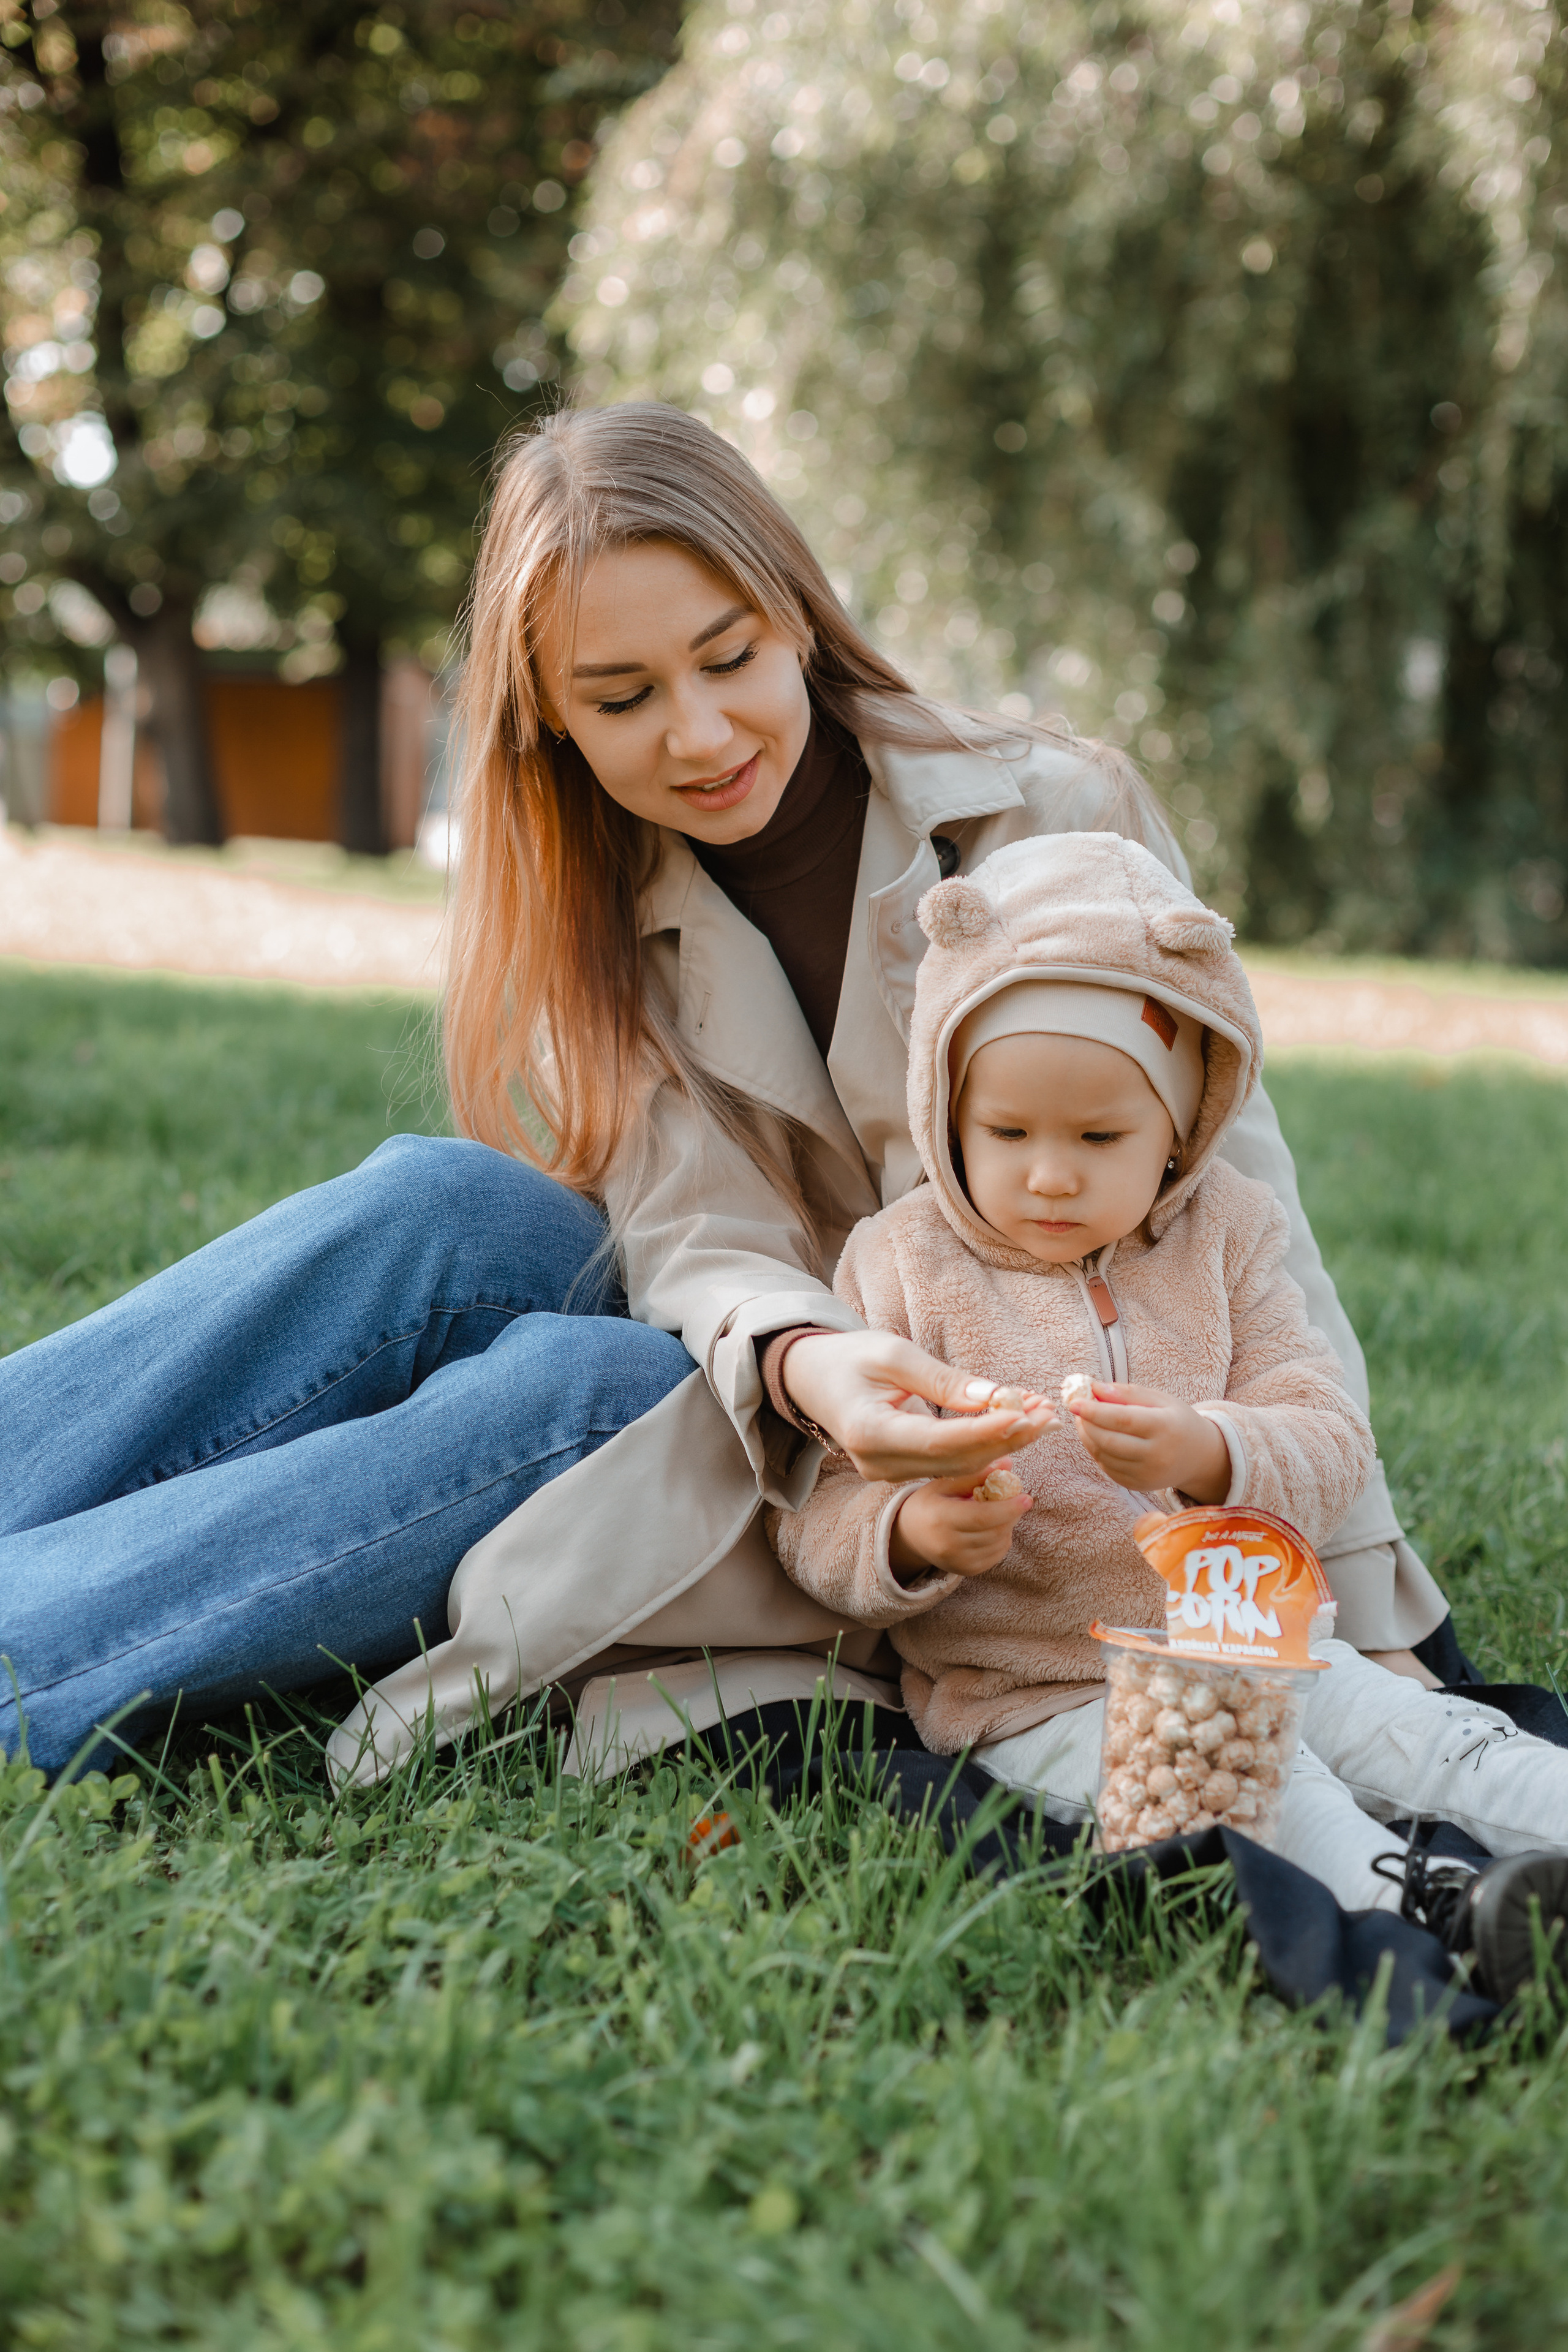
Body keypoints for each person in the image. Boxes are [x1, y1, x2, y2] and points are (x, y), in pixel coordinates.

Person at [0, 403, 1451, 1788]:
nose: (696, 737)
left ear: (796, 615)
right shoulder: (603, 897)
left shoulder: (1052, 814)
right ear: (549, 720)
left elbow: (1248, 1220)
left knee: (598, 1389)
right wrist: (812, 1362)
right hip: (802, 1368)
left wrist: (1361, 1602)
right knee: (439, 1200)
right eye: (621, 698)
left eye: (726, 657)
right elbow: (688, 1235)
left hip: (946, 1496)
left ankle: (26, 1659)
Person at [770, 829, 1568, 2002]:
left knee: (1437, 1736)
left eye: (1100, 1139)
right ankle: (1446, 1913)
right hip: (1046, 1697)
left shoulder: (1227, 1236)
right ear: (947, 1108)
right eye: (1007, 1134)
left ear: (1183, 1128)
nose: (1049, 1175)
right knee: (1272, 1793)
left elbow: (1331, 1435)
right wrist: (913, 1536)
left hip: (1265, 1639)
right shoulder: (902, 1272)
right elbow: (815, 1511)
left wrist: (1213, 1449)